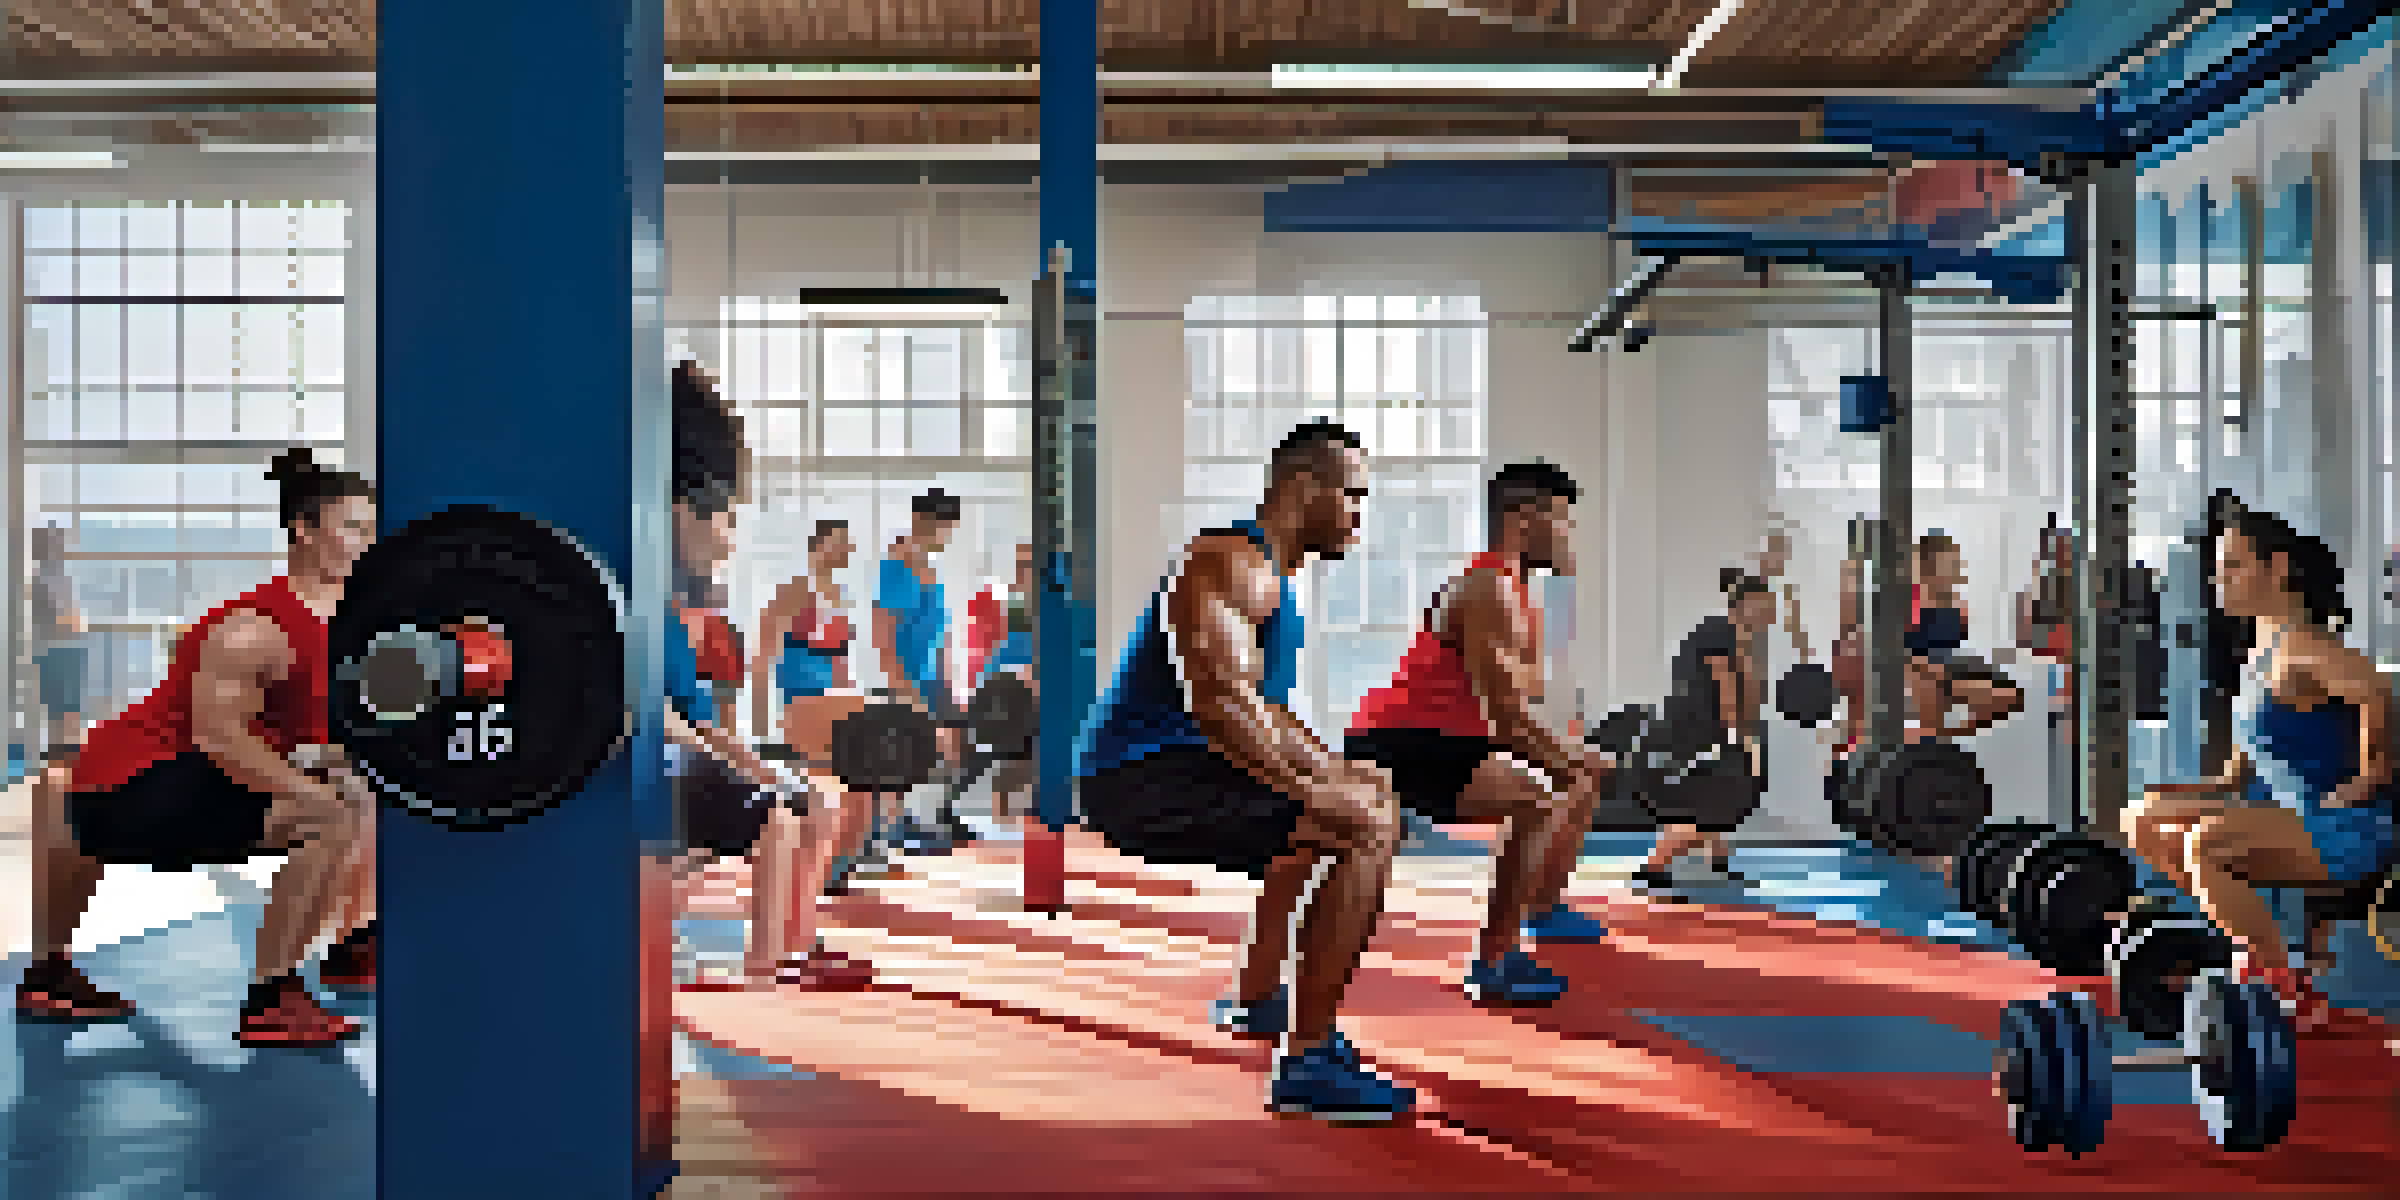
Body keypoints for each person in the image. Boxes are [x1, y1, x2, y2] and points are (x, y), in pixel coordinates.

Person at [1077, 419, 1414, 1122]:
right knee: (1359, 828)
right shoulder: (1228, 564)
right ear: (1303, 487)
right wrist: (1325, 794)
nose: (1358, 516)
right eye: (1350, 496)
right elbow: (1222, 703)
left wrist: (1336, 772)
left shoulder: (1273, 582)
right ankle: (1307, 1061)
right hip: (1141, 779)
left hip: (1179, 763)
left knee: (1349, 805)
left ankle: (1260, 998)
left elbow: (1268, 712)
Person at [17, 449, 379, 1046]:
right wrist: (309, 786)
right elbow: (221, 738)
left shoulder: (343, 624)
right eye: (352, 527)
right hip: (143, 780)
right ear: (305, 530)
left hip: (158, 781)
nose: (366, 541)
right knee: (330, 813)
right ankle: (273, 999)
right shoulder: (255, 627)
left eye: (370, 529)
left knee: (355, 793)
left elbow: (323, 736)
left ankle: (347, 946)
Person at [2119, 492, 2395, 1036]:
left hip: (2346, 829)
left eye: (2234, 567)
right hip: (2290, 819)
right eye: (2220, 569)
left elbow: (2376, 692)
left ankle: (2279, 985)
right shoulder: (2257, 654)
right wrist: (2182, 792)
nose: (2220, 581)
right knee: (2142, 817)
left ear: (2278, 568)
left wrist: (2372, 773)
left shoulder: (2303, 647)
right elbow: (2238, 775)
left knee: (2207, 844)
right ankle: (2229, 936)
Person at [1337, 461, 1610, 1008]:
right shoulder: (1489, 586)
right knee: (1542, 799)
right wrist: (1577, 760)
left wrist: (1576, 759)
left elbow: (1512, 704)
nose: (1570, 535)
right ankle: (1494, 962)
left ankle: (1536, 914)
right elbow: (1507, 716)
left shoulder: (1512, 589)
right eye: (1562, 520)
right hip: (1404, 739)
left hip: (1446, 736)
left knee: (1567, 785)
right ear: (1524, 518)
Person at [657, 361, 855, 991]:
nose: (729, 542)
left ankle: (798, 945)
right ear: (680, 512)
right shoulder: (640, 609)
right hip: (650, 763)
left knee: (823, 797)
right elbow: (664, 723)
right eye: (722, 520)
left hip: (690, 751)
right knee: (778, 811)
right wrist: (752, 766)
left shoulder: (675, 613)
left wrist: (749, 756)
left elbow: (704, 721)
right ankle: (767, 965)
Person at [748, 519, 881, 902]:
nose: (843, 552)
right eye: (837, 543)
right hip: (804, 705)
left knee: (861, 788)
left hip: (839, 702)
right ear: (816, 547)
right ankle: (810, 872)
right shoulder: (793, 593)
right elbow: (762, 658)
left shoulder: (841, 599)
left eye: (847, 544)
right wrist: (762, 726)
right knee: (821, 788)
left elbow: (843, 663)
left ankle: (834, 865)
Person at [1635, 570, 1780, 889]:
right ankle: (1653, 865)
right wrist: (1740, 739)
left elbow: (1751, 695)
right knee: (1715, 802)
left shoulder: (1736, 638)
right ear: (1748, 604)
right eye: (1767, 604)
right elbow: (1726, 688)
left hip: (1697, 733)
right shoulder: (1720, 631)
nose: (1772, 612)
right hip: (1688, 735)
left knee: (1719, 798)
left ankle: (1717, 863)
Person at [874, 489, 966, 853]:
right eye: (947, 529)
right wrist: (905, 691)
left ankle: (934, 815)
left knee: (957, 747)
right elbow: (884, 639)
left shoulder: (929, 567)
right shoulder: (895, 567)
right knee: (905, 754)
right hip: (906, 678)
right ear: (929, 523)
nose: (948, 538)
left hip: (933, 678)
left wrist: (947, 682)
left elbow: (939, 633)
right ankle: (891, 829)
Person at [1904, 532, 2024, 740]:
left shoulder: (1956, 605)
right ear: (1927, 568)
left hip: (1952, 665)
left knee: (2012, 696)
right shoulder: (1910, 604)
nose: (1957, 571)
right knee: (1931, 687)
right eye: (1949, 564)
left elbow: (1956, 647)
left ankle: (1950, 736)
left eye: (1955, 563)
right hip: (1923, 671)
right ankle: (1935, 738)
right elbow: (1905, 655)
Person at [967, 542, 1038, 825]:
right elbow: (996, 652)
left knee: (1030, 766)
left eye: (1029, 564)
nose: (1023, 571)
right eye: (1021, 564)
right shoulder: (1011, 605)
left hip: (1037, 692)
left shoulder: (1054, 605)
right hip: (1011, 694)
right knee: (1012, 765)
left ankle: (1018, 823)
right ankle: (1003, 823)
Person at [27, 525, 89, 762]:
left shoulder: (48, 577)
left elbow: (62, 616)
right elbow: (62, 617)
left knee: (61, 703)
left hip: (56, 647)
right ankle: (64, 747)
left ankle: (64, 747)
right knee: (62, 702)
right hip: (59, 647)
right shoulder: (48, 578)